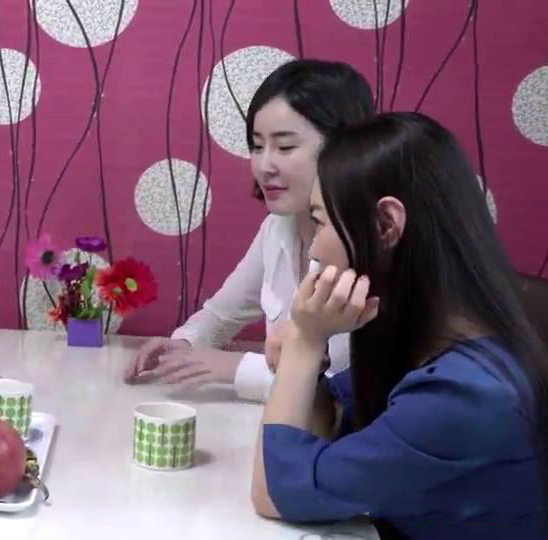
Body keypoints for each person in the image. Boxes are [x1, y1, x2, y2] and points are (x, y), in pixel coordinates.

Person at [251, 112, 548, 540]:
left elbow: (274, 493)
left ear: (386, 225)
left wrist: (304, 341)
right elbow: (329, 425)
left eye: (319, 222)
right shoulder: (423, 337)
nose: (314, 248)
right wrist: (306, 361)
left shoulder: (466, 394)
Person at [125, 59, 374, 401]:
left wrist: (235, 367)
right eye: (257, 146)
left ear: (344, 149)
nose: (264, 165)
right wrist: (185, 344)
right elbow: (222, 314)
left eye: (285, 147)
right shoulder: (277, 228)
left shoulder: (370, 247)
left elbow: (342, 392)